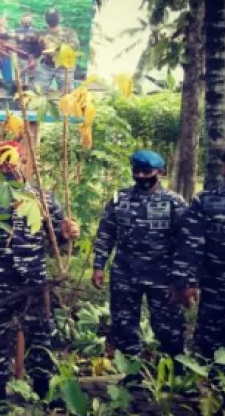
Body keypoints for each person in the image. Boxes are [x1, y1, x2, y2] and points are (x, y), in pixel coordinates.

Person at [0, 141, 80, 401]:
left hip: (33, 281)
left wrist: (68, 234)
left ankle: (42, 396)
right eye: (1, 160)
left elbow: (57, 239)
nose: (8, 165)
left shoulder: (42, 197)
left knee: (41, 338)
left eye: (12, 159)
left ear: (23, 162)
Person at [173, 142, 225, 401]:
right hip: (219, 287)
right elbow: (190, 244)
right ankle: (222, 398)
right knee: (215, 346)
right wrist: (186, 281)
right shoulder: (206, 200)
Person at [92, 150, 188, 365]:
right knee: (124, 324)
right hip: (125, 274)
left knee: (168, 326)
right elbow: (106, 233)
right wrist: (99, 265)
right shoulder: (119, 199)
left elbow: (186, 242)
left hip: (162, 275)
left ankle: (177, 373)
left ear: (160, 172)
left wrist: (182, 278)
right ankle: (132, 372)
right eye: (137, 171)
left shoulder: (174, 202)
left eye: (147, 171)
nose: (141, 176)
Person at [35, 7, 79, 93]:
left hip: (64, 67)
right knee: (38, 92)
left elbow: (75, 45)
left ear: (59, 19)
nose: (51, 20)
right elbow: (36, 50)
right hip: (46, 67)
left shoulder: (68, 32)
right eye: (50, 18)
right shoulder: (41, 33)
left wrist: (58, 48)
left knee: (67, 94)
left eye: (53, 18)